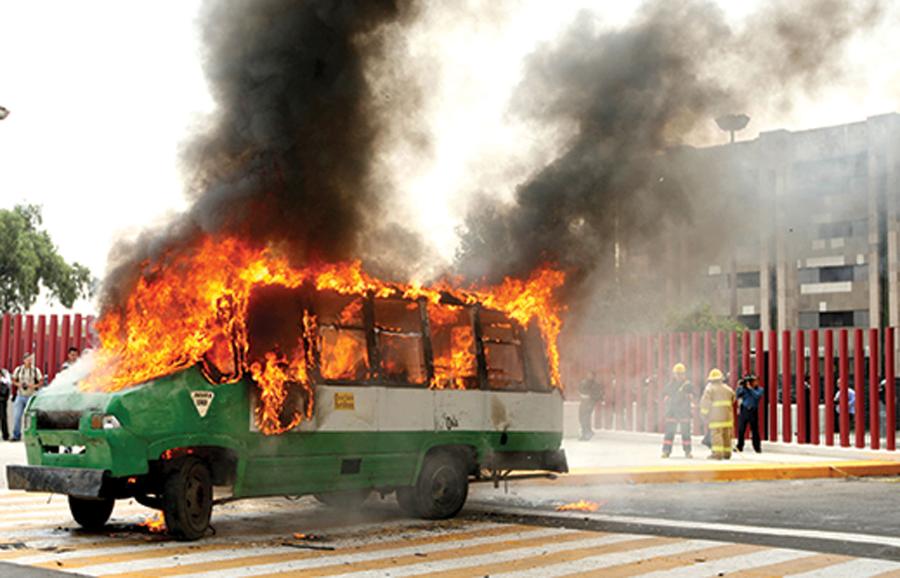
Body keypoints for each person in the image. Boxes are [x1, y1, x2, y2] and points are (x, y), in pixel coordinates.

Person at [700, 368, 735, 460]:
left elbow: (705, 403)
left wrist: (703, 414)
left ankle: (717, 454)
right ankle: (727, 453)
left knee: (716, 434)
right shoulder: (728, 389)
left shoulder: (709, 389)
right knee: (726, 434)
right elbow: (733, 399)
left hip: (716, 417)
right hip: (727, 416)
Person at [661, 363, 693, 458]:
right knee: (669, 433)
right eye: (677, 374)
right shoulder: (669, 386)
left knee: (686, 433)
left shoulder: (688, 385)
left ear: (684, 374)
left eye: (681, 374)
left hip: (684, 412)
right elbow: (664, 397)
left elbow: (693, 396)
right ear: (674, 374)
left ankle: (688, 451)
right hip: (672, 412)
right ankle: (666, 451)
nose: (679, 376)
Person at [11, 353, 44, 441]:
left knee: (32, 417)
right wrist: (19, 384)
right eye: (28, 360)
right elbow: (13, 380)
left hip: (31, 396)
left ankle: (33, 436)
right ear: (24, 360)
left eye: (30, 360)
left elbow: (41, 382)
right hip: (20, 395)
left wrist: (33, 386)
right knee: (17, 416)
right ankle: (16, 435)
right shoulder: (18, 370)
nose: (29, 362)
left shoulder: (35, 370)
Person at [735, 373, 763, 453]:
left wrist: (750, 388)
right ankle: (739, 446)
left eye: (755, 381)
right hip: (744, 410)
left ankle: (757, 447)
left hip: (753, 411)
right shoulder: (743, 389)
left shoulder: (759, 389)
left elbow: (757, 396)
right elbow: (737, 396)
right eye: (753, 381)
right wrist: (739, 386)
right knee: (741, 430)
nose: (755, 382)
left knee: (754, 430)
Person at [577, 371, 604, 441]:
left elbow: (598, 394)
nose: (589, 376)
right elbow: (579, 389)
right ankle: (585, 433)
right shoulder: (584, 382)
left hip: (590, 402)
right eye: (588, 374)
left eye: (591, 375)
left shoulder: (596, 385)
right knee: (581, 417)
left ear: (594, 376)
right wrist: (581, 395)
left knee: (586, 418)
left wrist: (591, 397)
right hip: (583, 401)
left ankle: (587, 433)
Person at [0, 367, 11, 440]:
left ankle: (5, 435)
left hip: (1, 401)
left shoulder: (4, 382)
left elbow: (5, 392)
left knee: (3, 418)